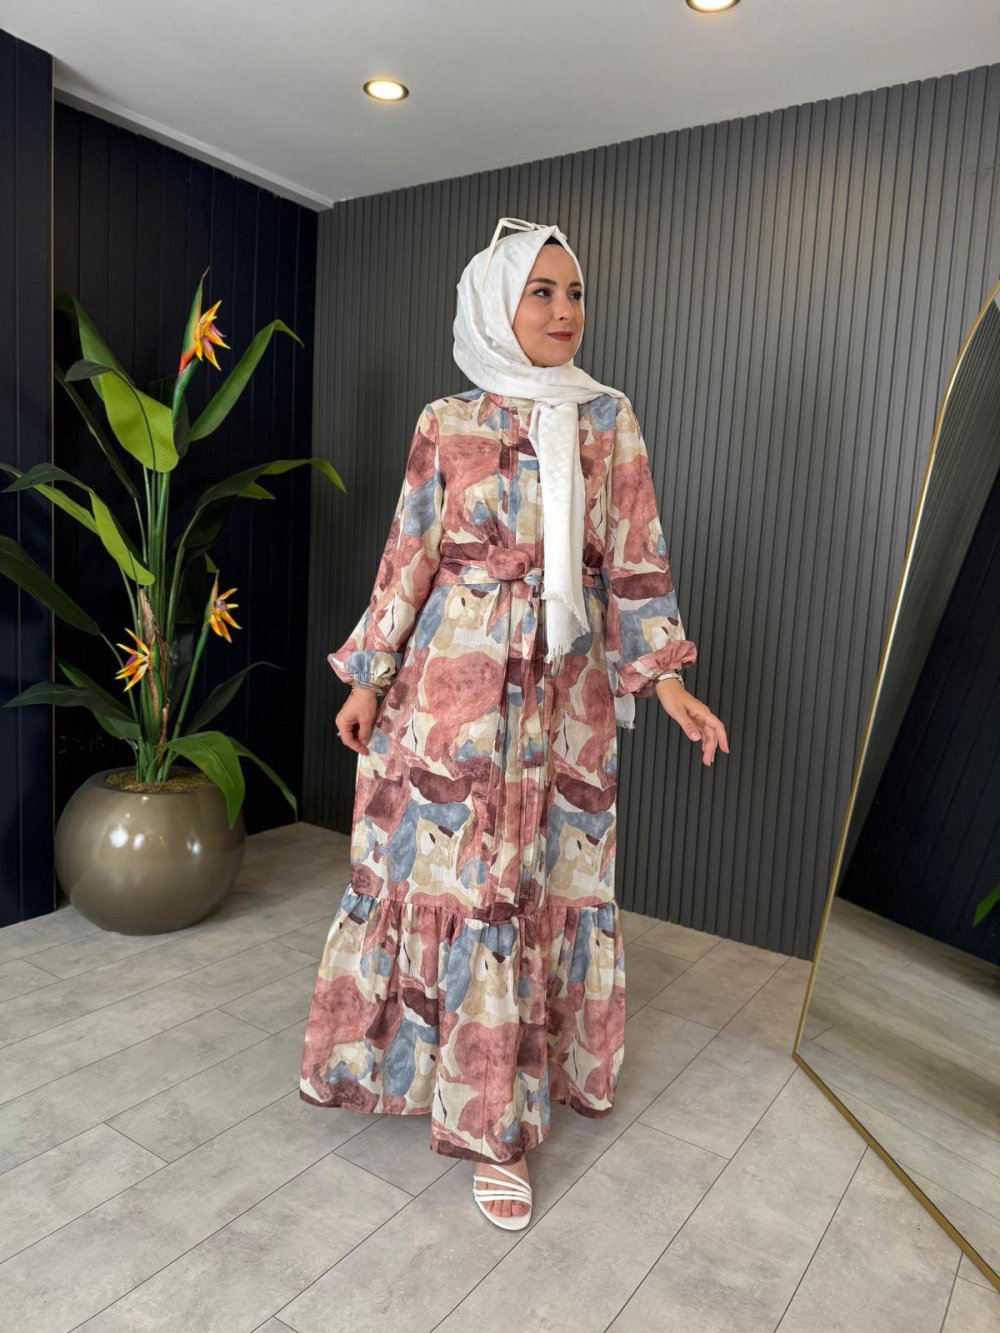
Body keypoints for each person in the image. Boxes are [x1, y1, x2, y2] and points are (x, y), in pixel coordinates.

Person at [299, 216, 729, 1231]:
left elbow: (633, 558)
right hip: (447, 684)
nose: (564, 310)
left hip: (560, 696)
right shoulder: (444, 420)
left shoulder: (607, 418)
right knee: (440, 877)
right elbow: (408, 555)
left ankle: (499, 1126)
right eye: (541, 291)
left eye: (574, 292)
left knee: (531, 889)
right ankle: (412, 1073)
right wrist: (367, 678)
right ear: (498, 303)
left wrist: (666, 682)